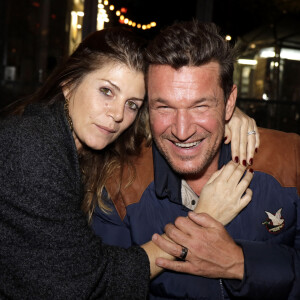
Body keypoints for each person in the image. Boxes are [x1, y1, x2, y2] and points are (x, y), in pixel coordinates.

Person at [0, 26, 257, 299]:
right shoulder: (31, 148)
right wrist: (200, 223)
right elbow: (87, 284)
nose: (117, 114)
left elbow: (171, 110)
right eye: (106, 91)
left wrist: (227, 113)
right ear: (69, 83)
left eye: (132, 104)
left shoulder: (73, 140)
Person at [92, 21, 300, 299]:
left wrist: (240, 263)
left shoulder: (289, 160)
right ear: (146, 107)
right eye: (164, 106)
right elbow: (103, 289)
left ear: (229, 103)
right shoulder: (118, 185)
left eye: (200, 105)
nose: (182, 130)